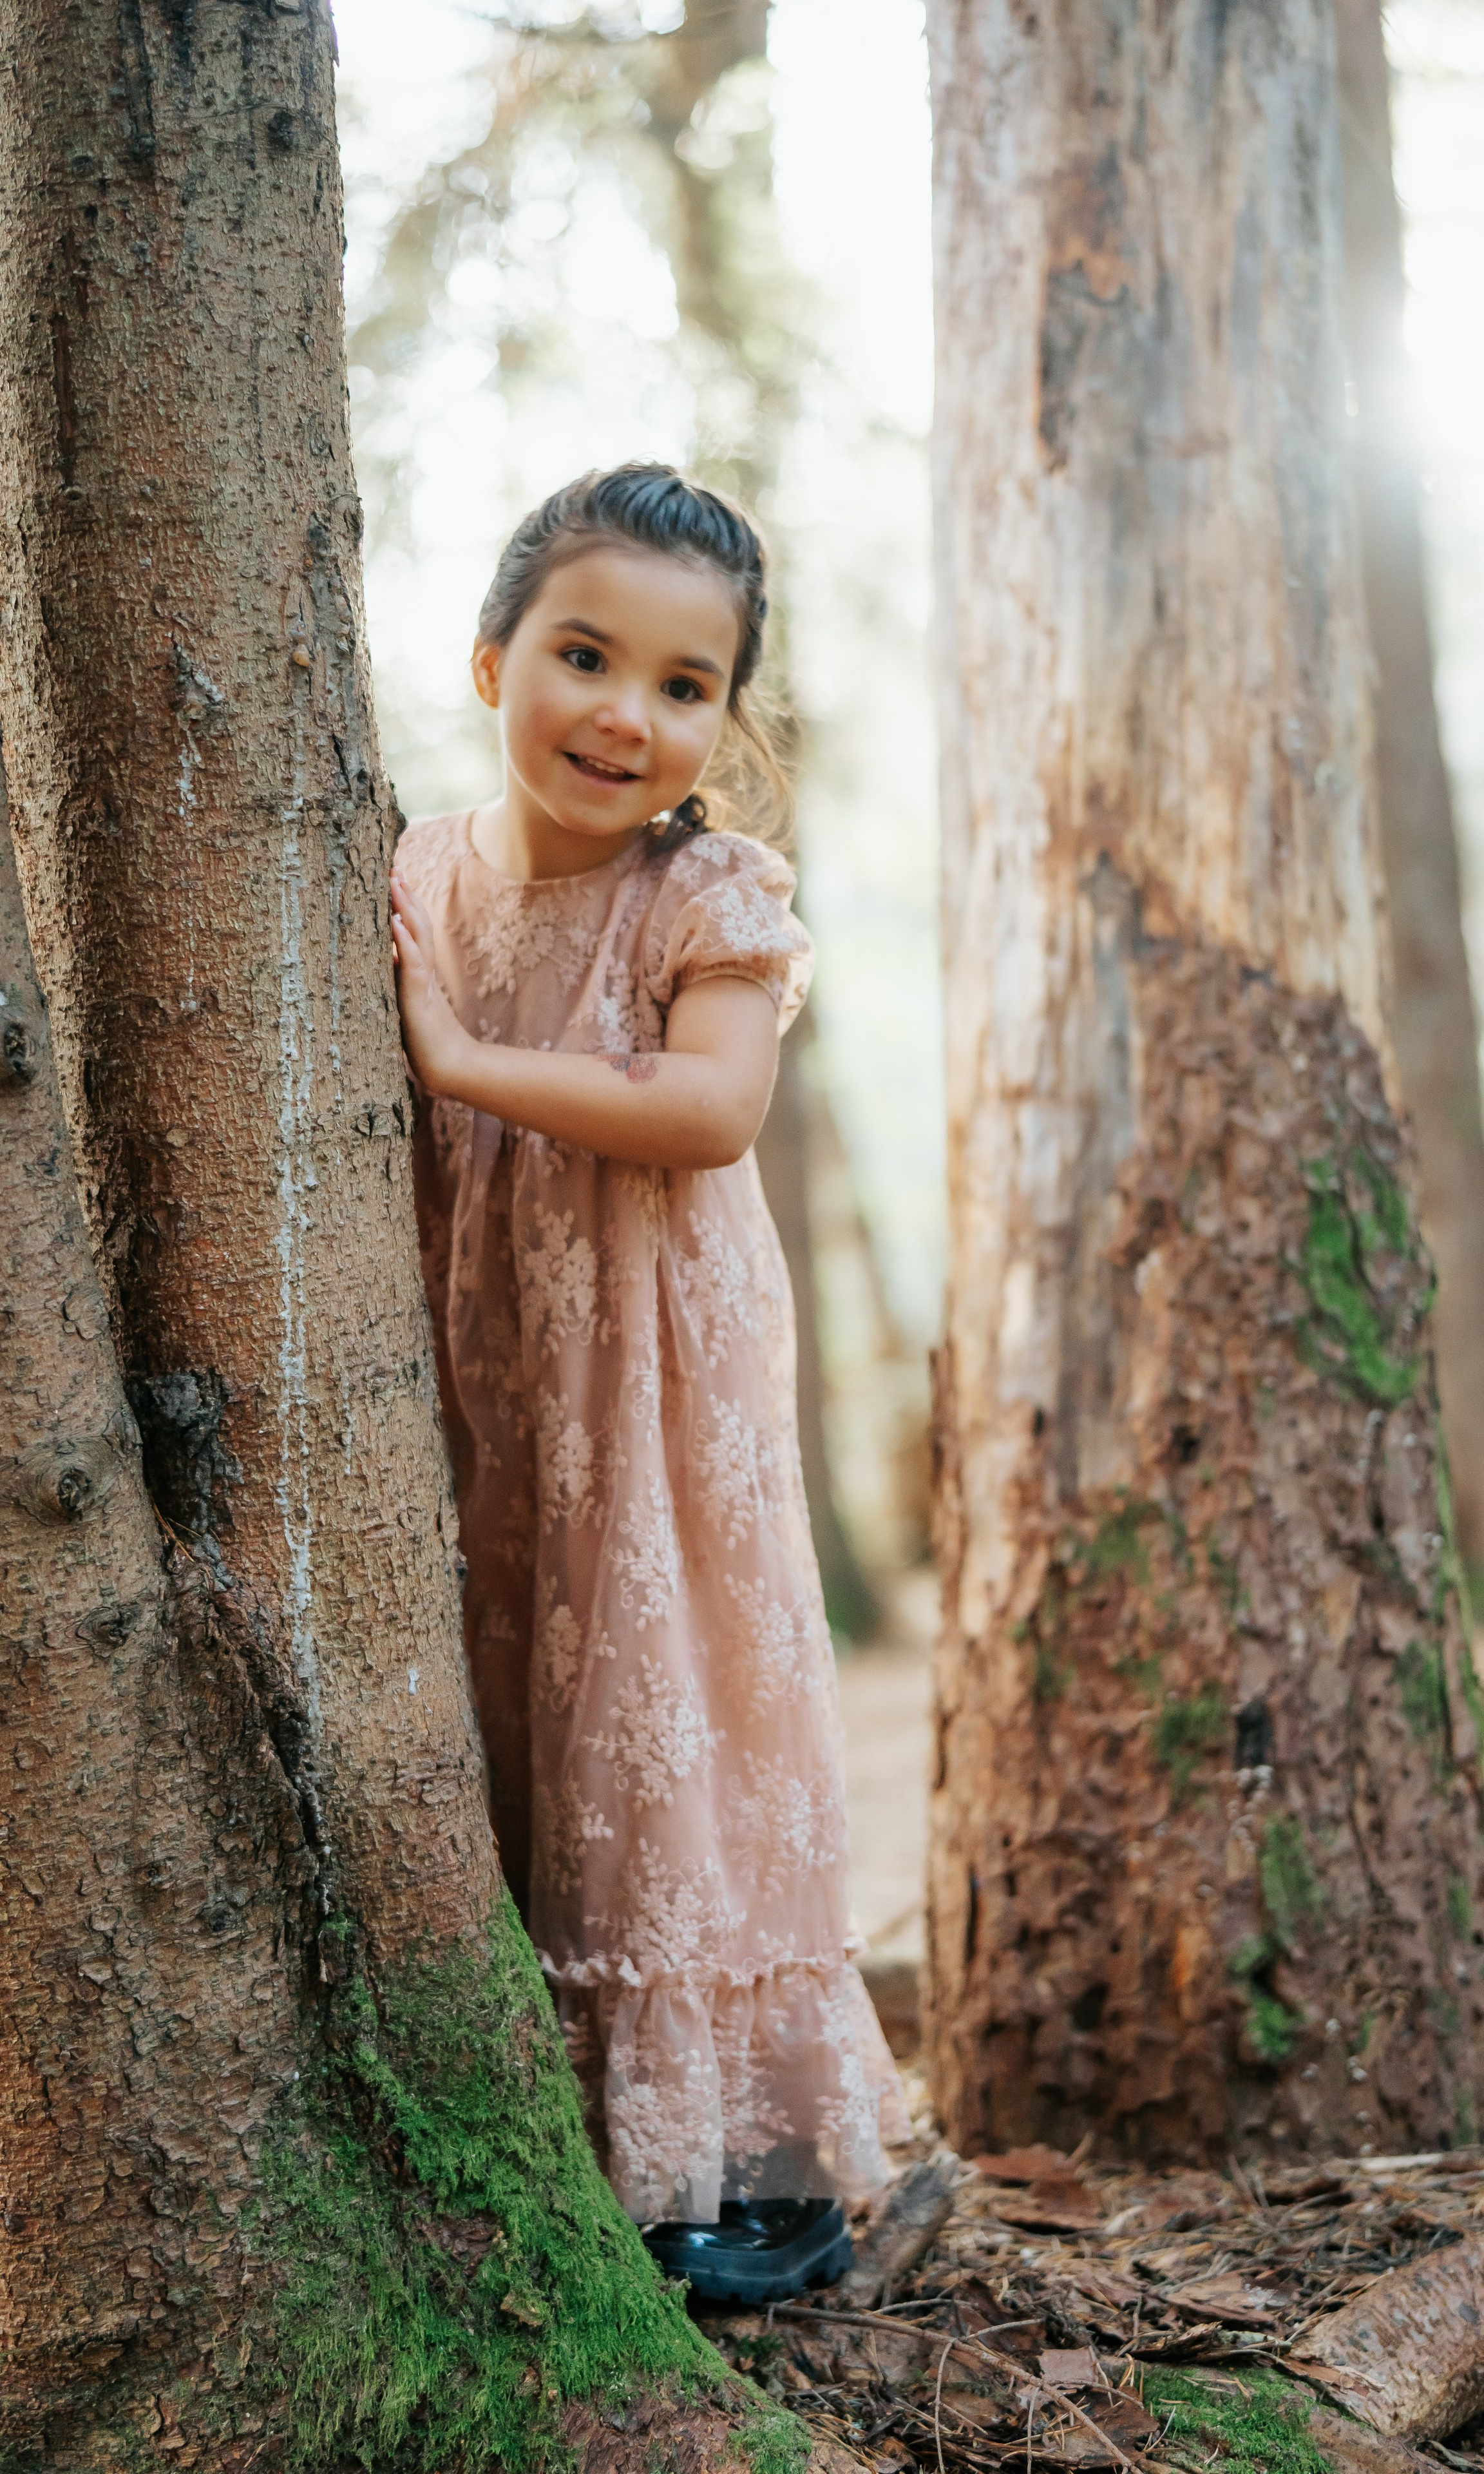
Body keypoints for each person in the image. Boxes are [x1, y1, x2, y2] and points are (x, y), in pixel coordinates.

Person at [390, 463, 909, 2302]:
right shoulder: (418, 872)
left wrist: (461, 1061)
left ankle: (734, 2159)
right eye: (586, 655)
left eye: (685, 685)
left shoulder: (708, 890)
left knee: (660, 1704)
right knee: (516, 1697)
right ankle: (566, 2109)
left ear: (723, 722)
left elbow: (709, 1110)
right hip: (490, 1361)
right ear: (491, 662)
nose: (627, 714)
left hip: (659, 1374)